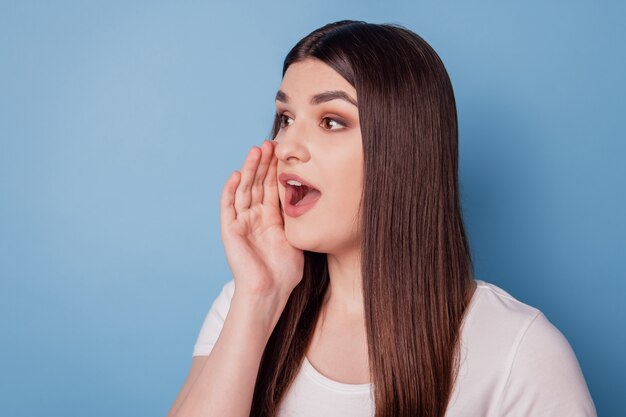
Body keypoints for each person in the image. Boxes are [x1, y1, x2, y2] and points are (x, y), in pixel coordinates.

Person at [166, 20, 596, 417]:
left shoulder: (518, 350)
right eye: (285, 118)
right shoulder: (244, 305)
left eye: (331, 121)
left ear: (404, 151)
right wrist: (258, 296)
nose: (286, 147)